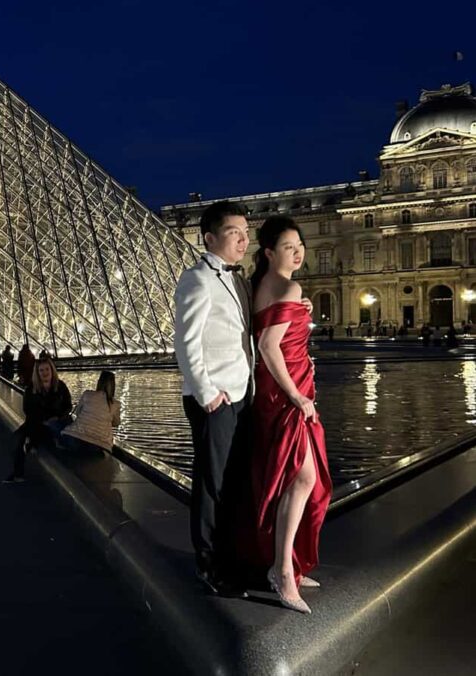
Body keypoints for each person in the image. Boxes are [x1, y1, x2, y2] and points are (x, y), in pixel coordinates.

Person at [243, 216, 332, 615]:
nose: (298, 252)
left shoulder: (261, 286)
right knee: (305, 477)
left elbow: (268, 325)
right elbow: (268, 345)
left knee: (289, 478)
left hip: (271, 395)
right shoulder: (289, 286)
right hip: (288, 395)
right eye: (289, 246)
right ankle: (282, 570)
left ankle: (286, 565)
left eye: (300, 245)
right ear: (269, 252)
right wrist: (297, 396)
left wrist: (300, 308)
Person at [173, 200, 255, 598]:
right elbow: (185, 343)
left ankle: (230, 556)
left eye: (245, 231)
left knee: (233, 481)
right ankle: (208, 564)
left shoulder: (240, 279)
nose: (243, 238)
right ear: (209, 238)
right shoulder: (196, 279)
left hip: (241, 393)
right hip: (215, 398)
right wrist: (207, 394)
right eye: (233, 232)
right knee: (211, 483)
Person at [3, 356, 72, 483]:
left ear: (52, 370)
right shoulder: (31, 389)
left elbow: (68, 406)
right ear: (37, 373)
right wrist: (42, 419)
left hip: (55, 423)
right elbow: (27, 409)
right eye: (41, 370)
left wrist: (56, 418)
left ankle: (30, 446)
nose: (45, 373)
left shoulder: (60, 386)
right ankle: (18, 473)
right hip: (36, 422)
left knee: (29, 436)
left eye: (47, 369)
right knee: (17, 438)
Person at [62, 371, 121, 453]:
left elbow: (78, 413)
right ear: (113, 386)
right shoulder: (115, 404)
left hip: (74, 438)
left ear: (99, 382)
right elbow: (116, 423)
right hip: (99, 445)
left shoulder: (87, 394)